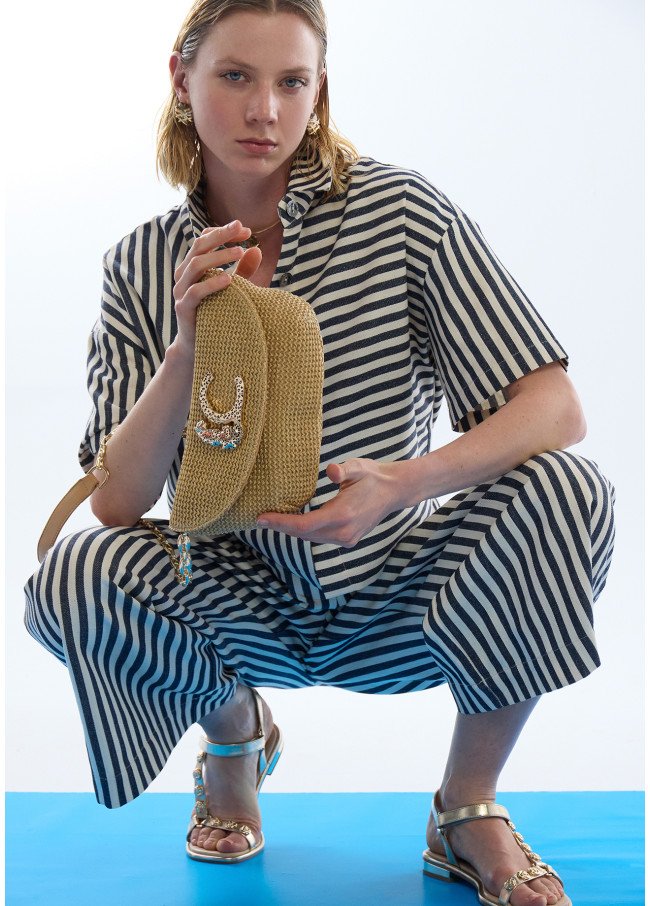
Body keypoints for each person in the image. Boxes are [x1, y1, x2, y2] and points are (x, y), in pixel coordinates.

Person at [24, 1, 615, 904]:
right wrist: (185, 347)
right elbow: (116, 502)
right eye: (235, 76)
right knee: (75, 575)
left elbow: (555, 407)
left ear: (319, 90)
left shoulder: (403, 214)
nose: (265, 110)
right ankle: (234, 740)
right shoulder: (140, 264)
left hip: (404, 589)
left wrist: (402, 483)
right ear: (181, 80)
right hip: (233, 596)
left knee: (569, 491)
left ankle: (466, 807)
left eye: (292, 81)